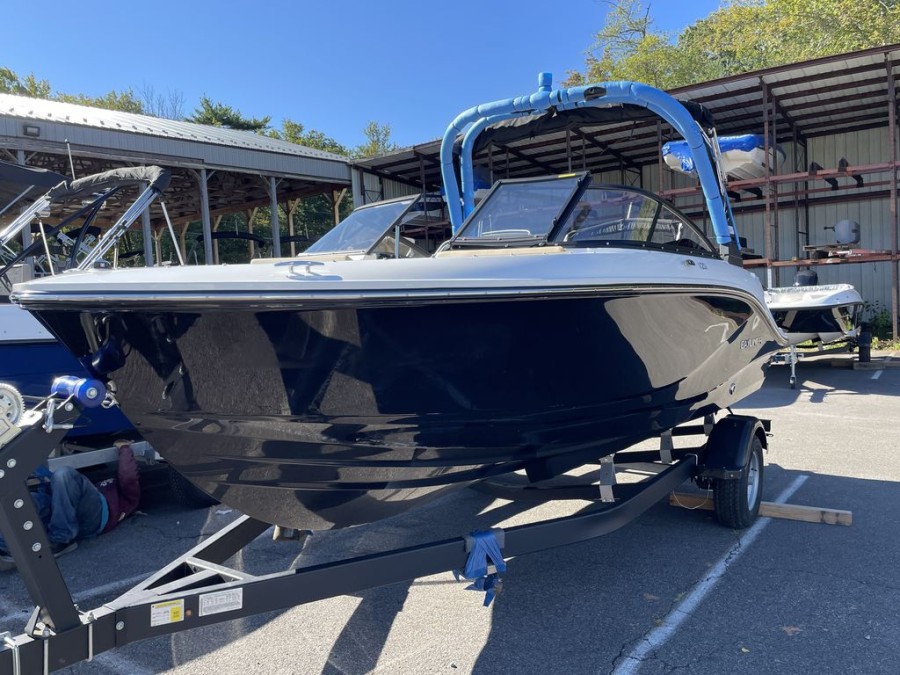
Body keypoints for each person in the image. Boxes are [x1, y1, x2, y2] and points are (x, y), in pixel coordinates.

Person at [0, 441, 140, 566]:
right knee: (23, 500)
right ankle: (5, 544)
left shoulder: (129, 495)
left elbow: (128, 475)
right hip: (63, 511)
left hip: (97, 518)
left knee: (64, 474)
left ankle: (62, 538)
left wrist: (124, 448)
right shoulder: (104, 485)